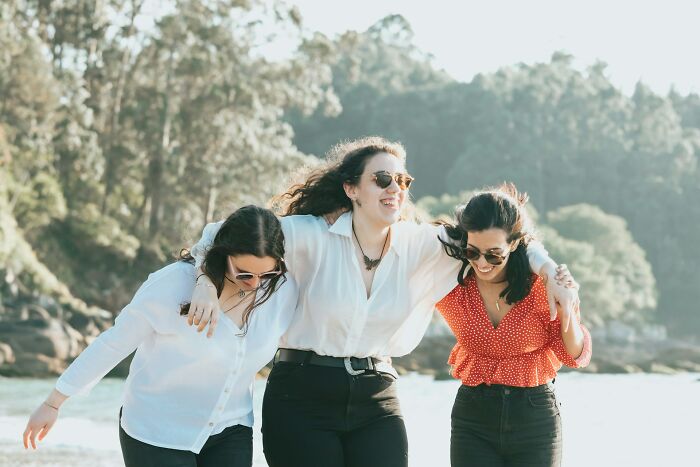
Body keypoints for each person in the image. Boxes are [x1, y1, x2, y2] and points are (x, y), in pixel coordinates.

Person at [188, 137, 578, 467]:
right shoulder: (308, 236)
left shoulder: (423, 244)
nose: (395, 188)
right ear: (351, 189)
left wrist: (549, 273)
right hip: (302, 394)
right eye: (382, 179)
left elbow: (506, 237)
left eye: (402, 180)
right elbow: (221, 234)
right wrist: (206, 283)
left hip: (376, 395)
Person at [22, 205, 298, 467]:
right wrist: (54, 402)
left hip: (231, 428)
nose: (255, 285)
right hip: (157, 430)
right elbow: (114, 343)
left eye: (267, 274)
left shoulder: (280, 290)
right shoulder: (173, 284)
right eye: (245, 274)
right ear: (223, 254)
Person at [437, 184, 592, 467]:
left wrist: (567, 310)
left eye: (494, 254)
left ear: (514, 244)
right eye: (473, 252)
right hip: (473, 418)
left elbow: (573, 354)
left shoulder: (541, 287)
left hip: (535, 419)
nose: (482, 263)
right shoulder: (453, 285)